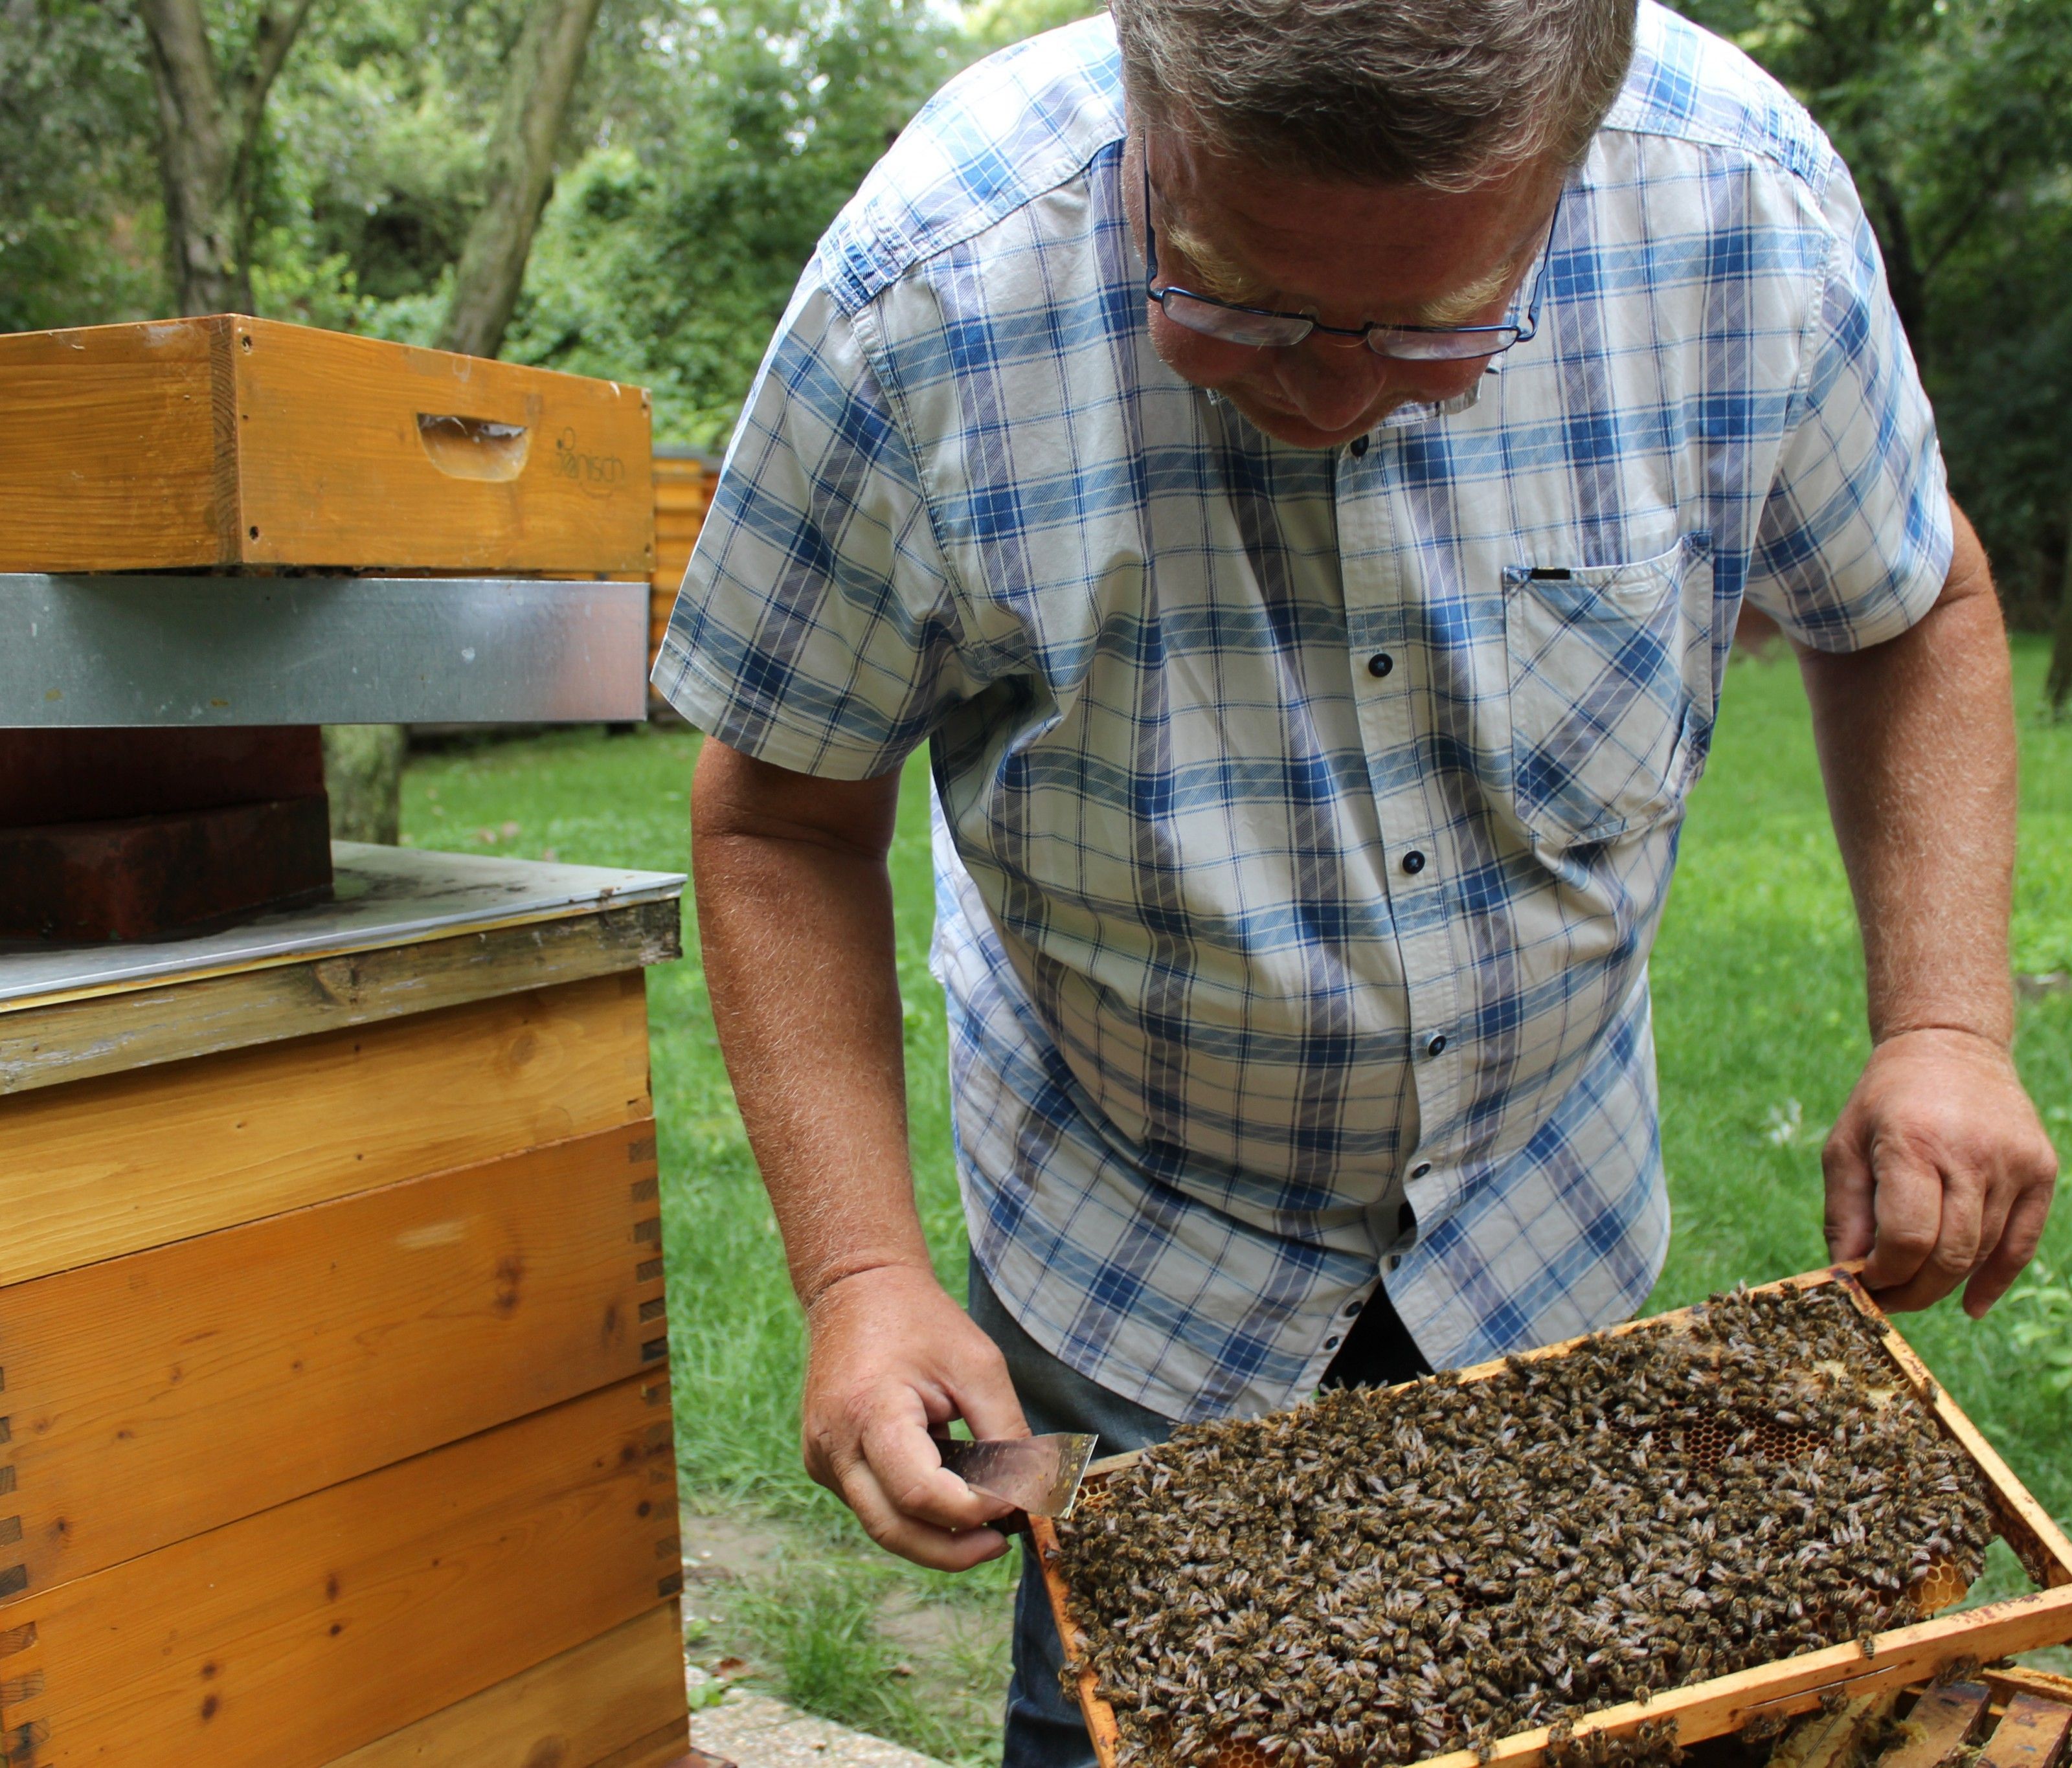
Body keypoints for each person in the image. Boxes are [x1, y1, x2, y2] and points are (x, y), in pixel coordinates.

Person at [654, 1, 2059, 1763]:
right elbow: (780, 809)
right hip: (1135, 1249)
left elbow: (1909, 602)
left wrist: (1944, 1019)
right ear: (1147, 104)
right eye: (1227, 292)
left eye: (1430, 328)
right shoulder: (922, 288)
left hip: (1542, 1212)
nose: (1324, 392)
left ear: (1570, 162)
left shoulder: (1738, 205)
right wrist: (863, 1269)